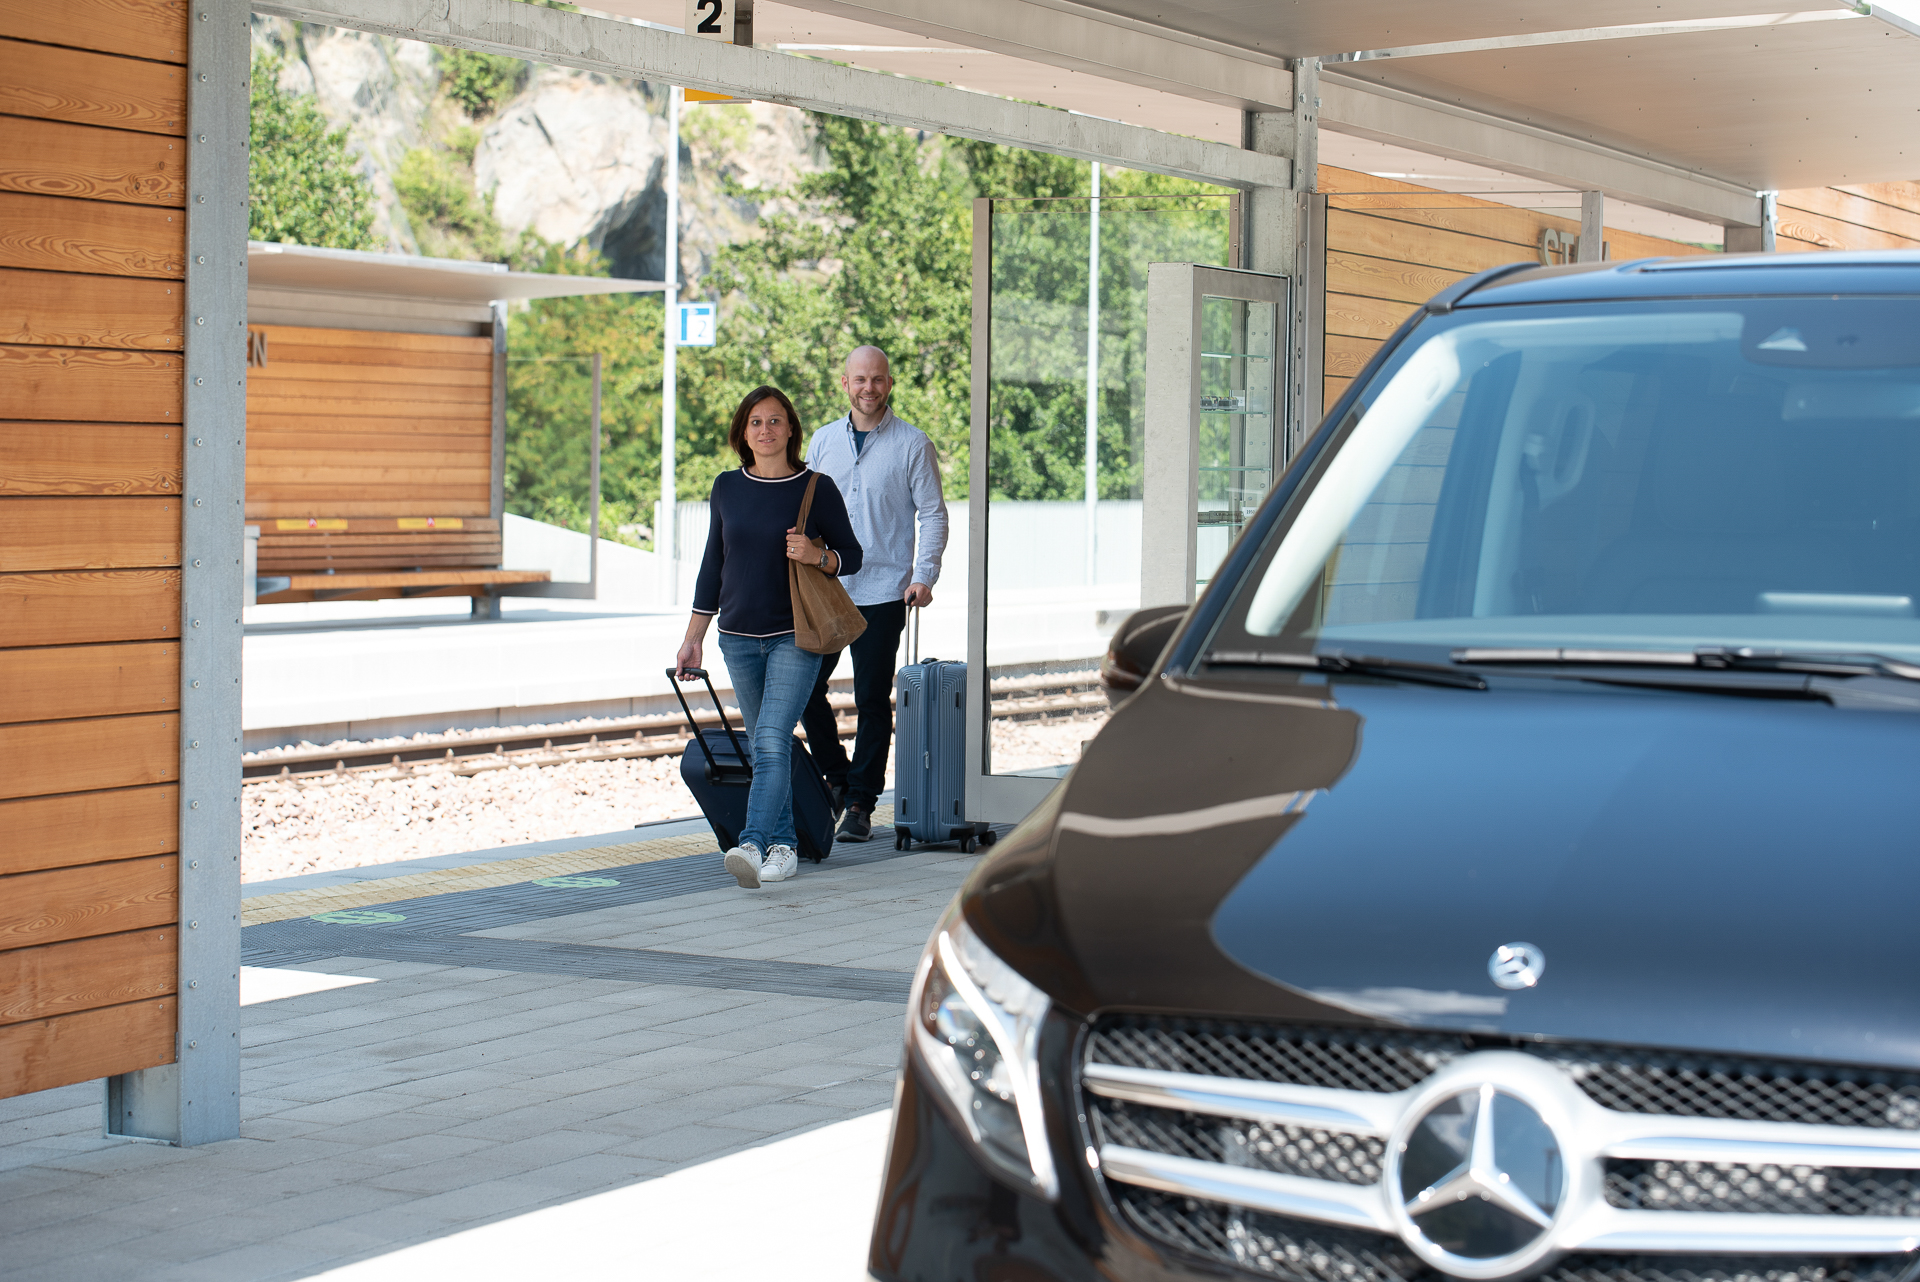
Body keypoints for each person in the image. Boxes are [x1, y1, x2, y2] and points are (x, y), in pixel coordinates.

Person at [675, 386, 862, 889]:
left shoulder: (815, 488)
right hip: (736, 636)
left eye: (775, 421)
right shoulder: (726, 487)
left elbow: (853, 555)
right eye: (755, 422)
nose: (765, 430)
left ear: (791, 431)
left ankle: (752, 843)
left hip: (794, 635)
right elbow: (713, 564)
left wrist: (816, 556)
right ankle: (784, 848)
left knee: (772, 737)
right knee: (764, 747)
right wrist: (694, 637)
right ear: (743, 432)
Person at [798, 346, 949, 842]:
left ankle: (861, 802)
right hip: (828, 587)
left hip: (885, 589)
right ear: (845, 383)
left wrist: (923, 575)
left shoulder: (912, 444)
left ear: (889, 382)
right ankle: (838, 780)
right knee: (802, 689)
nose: (869, 388)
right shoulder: (822, 442)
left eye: (877, 379)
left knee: (870, 698)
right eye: (860, 379)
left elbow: (933, 513)